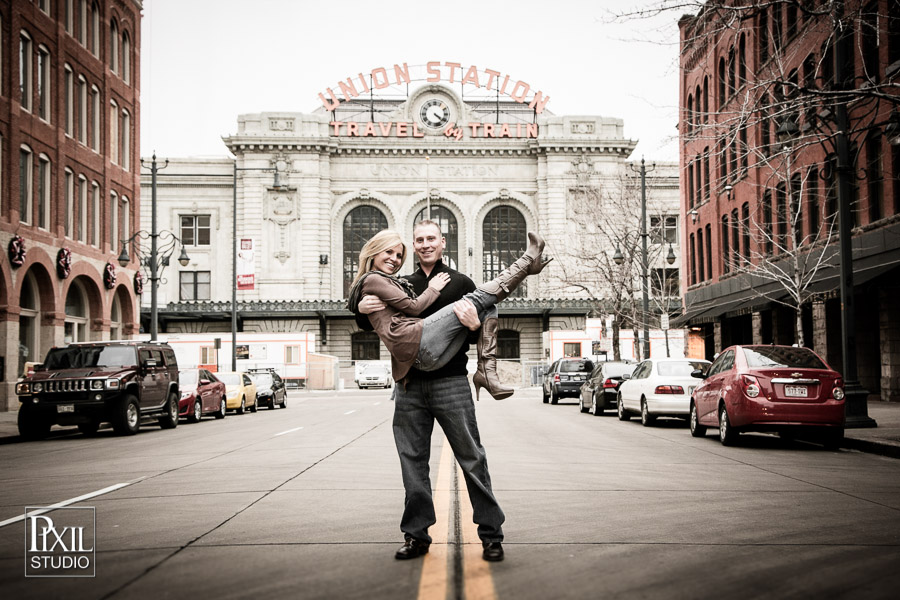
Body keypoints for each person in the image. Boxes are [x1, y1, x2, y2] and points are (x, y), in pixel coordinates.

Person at [351, 220, 549, 562]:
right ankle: (416, 536)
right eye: (418, 241)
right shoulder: (401, 282)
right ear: (414, 246)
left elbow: (473, 326)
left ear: (443, 242)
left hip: (451, 381)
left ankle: (491, 536)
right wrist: (357, 310)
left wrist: (474, 328)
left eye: (431, 238)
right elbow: (376, 313)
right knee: (412, 463)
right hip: (410, 384)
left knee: (473, 460)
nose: (425, 245)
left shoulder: (460, 282)